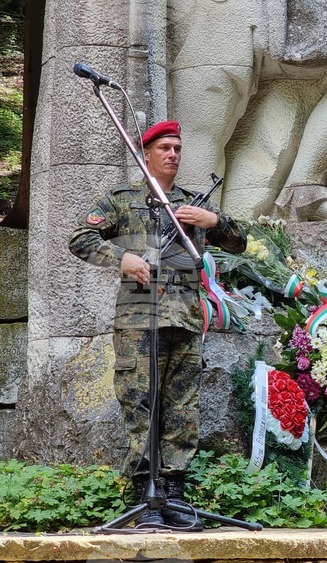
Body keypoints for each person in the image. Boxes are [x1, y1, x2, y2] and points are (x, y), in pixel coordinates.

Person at [68, 121, 247, 530]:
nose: (172, 154)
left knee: (182, 407)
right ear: (146, 153)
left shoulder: (191, 203)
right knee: (140, 403)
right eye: (164, 147)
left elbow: (239, 243)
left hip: (184, 317)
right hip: (138, 320)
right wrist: (122, 259)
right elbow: (80, 238)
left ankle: (175, 492)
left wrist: (212, 221)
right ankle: (146, 494)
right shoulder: (123, 200)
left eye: (178, 148)